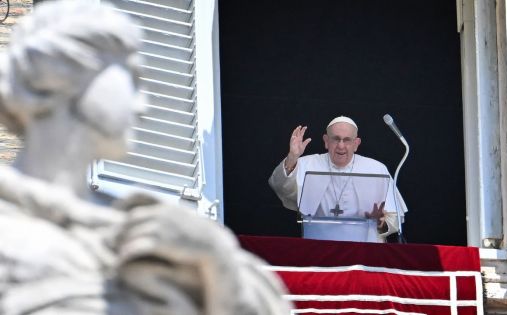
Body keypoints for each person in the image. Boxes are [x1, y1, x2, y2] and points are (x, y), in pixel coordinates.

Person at [0, 1, 291, 314]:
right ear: (60, 74)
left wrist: (215, 262)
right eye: (132, 77)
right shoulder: (11, 228)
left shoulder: (157, 232)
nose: (143, 105)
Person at [269, 116, 406, 242]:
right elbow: (280, 188)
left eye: (347, 140)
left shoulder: (376, 169)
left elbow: (394, 219)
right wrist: (292, 157)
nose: (341, 146)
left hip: (365, 252)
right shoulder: (306, 164)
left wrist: (381, 222)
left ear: (356, 143)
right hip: (318, 250)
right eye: (335, 139)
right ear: (326, 141)